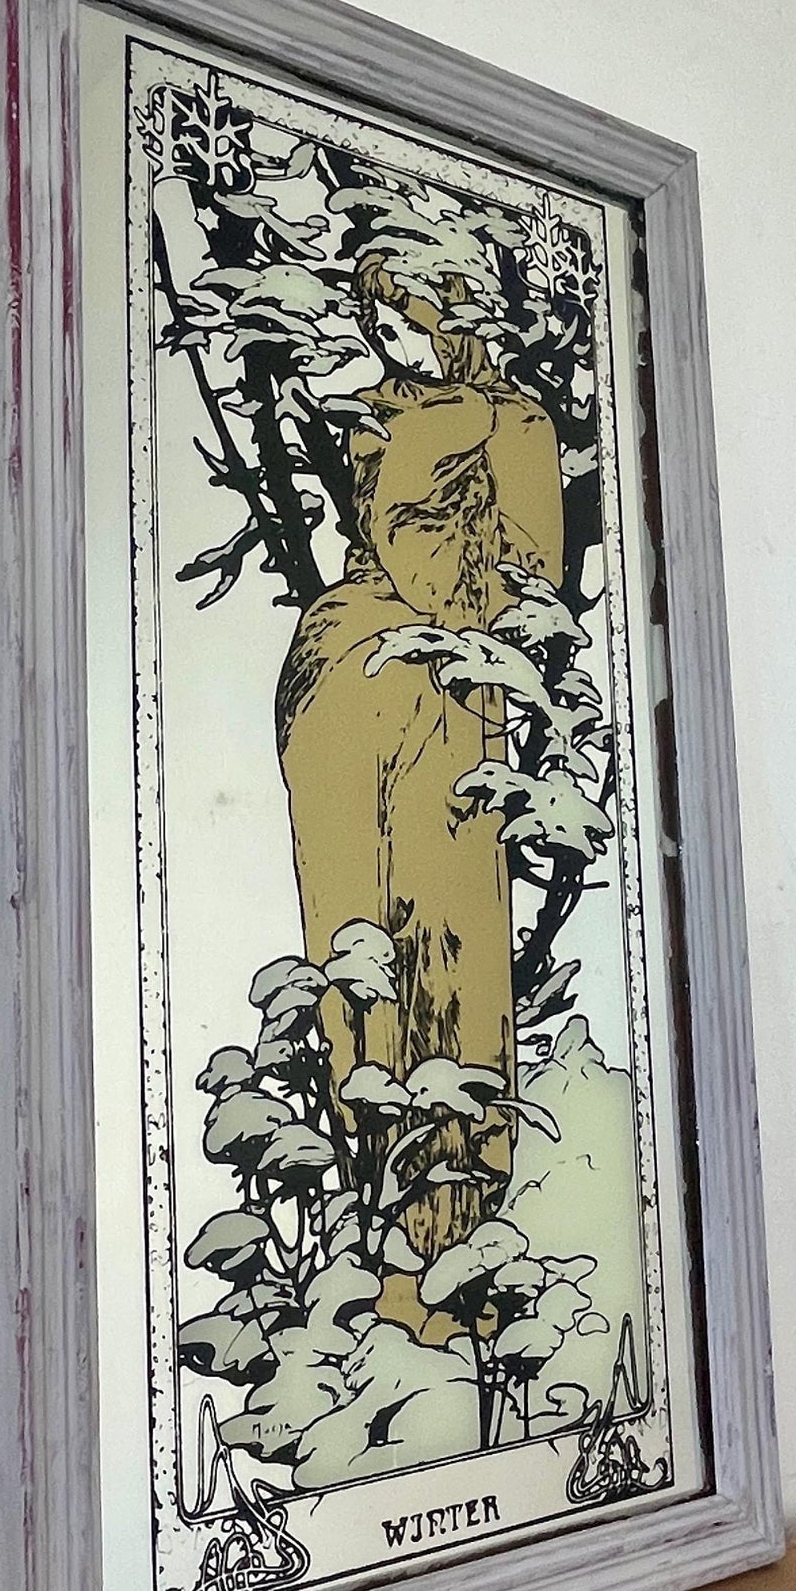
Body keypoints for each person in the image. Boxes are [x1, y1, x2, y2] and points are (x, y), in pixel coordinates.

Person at [276, 257, 564, 1271]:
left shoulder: (496, 421)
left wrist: (471, 380)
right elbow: (422, 539)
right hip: (364, 673)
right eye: (392, 309)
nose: (411, 329)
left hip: (442, 687)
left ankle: (450, 1221)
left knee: (453, 948)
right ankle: (383, 1209)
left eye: (423, 309)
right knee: (365, 944)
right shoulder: (404, 427)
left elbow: (526, 561)